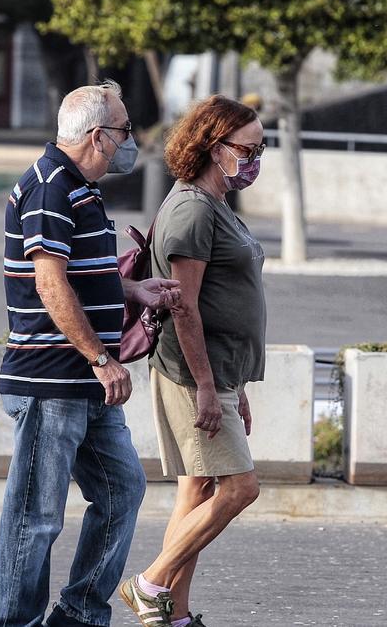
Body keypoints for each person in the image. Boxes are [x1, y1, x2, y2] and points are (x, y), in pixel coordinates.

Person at [0, 80, 182, 627]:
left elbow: (81, 277)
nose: (131, 141)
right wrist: (102, 357)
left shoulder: (82, 190)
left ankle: (77, 615)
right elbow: (50, 284)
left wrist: (133, 291)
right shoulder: (50, 187)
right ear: (98, 136)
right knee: (36, 519)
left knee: (122, 491)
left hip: (87, 383)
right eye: (125, 131)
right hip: (54, 382)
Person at [118, 95, 267, 627]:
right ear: (212, 145)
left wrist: (235, 383)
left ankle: (171, 618)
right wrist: (206, 385)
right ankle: (149, 583)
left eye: (261, 148)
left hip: (218, 371)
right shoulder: (190, 210)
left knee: (197, 490)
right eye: (247, 148)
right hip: (191, 374)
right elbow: (183, 307)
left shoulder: (216, 205)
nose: (254, 159)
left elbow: (223, 299)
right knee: (240, 488)